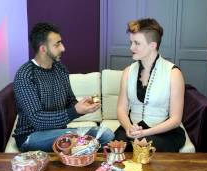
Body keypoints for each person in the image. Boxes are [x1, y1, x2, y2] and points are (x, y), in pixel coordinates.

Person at [13, 22, 114, 152]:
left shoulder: (60, 69)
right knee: (91, 138)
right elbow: (37, 120)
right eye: (57, 44)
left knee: (106, 134)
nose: (63, 48)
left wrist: (82, 106)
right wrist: (75, 111)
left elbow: (69, 101)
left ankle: (76, 157)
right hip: (31, 136)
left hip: (59, 132)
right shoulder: (25, 75)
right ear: (43, 49)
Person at [114, 18, 186, 152]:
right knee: (115, 148)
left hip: (163, 133)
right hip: (133, 129)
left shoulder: (173, 73)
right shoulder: (128, 72)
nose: (131, 48)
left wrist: (145, 134)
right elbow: (121, 109)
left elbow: (176, 119)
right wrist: (129, 127)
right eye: (131, 42)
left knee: (144, 148)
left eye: (137, 43)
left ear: (152, 45)